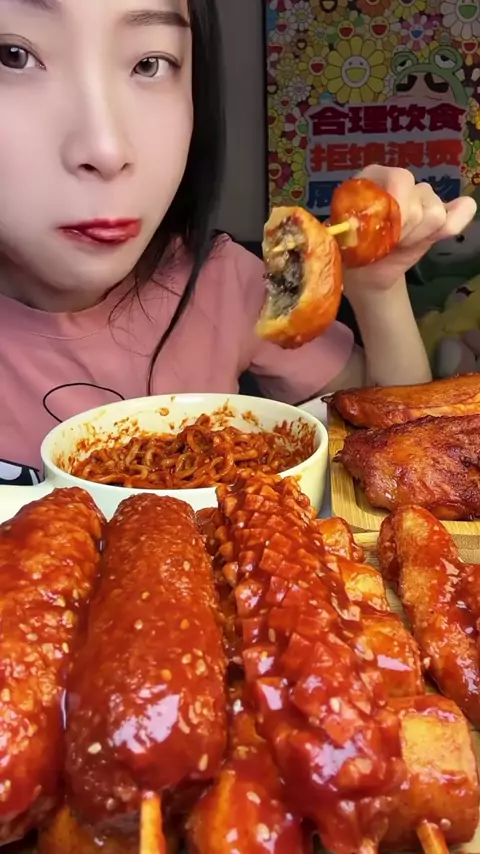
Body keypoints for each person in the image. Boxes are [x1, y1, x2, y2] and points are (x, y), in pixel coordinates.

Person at [0, 0, 476, 485]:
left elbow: (394, 437)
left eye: (150, 64)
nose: (106, 149)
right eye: (12, 56)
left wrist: (377, 290)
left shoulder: (226, 281)